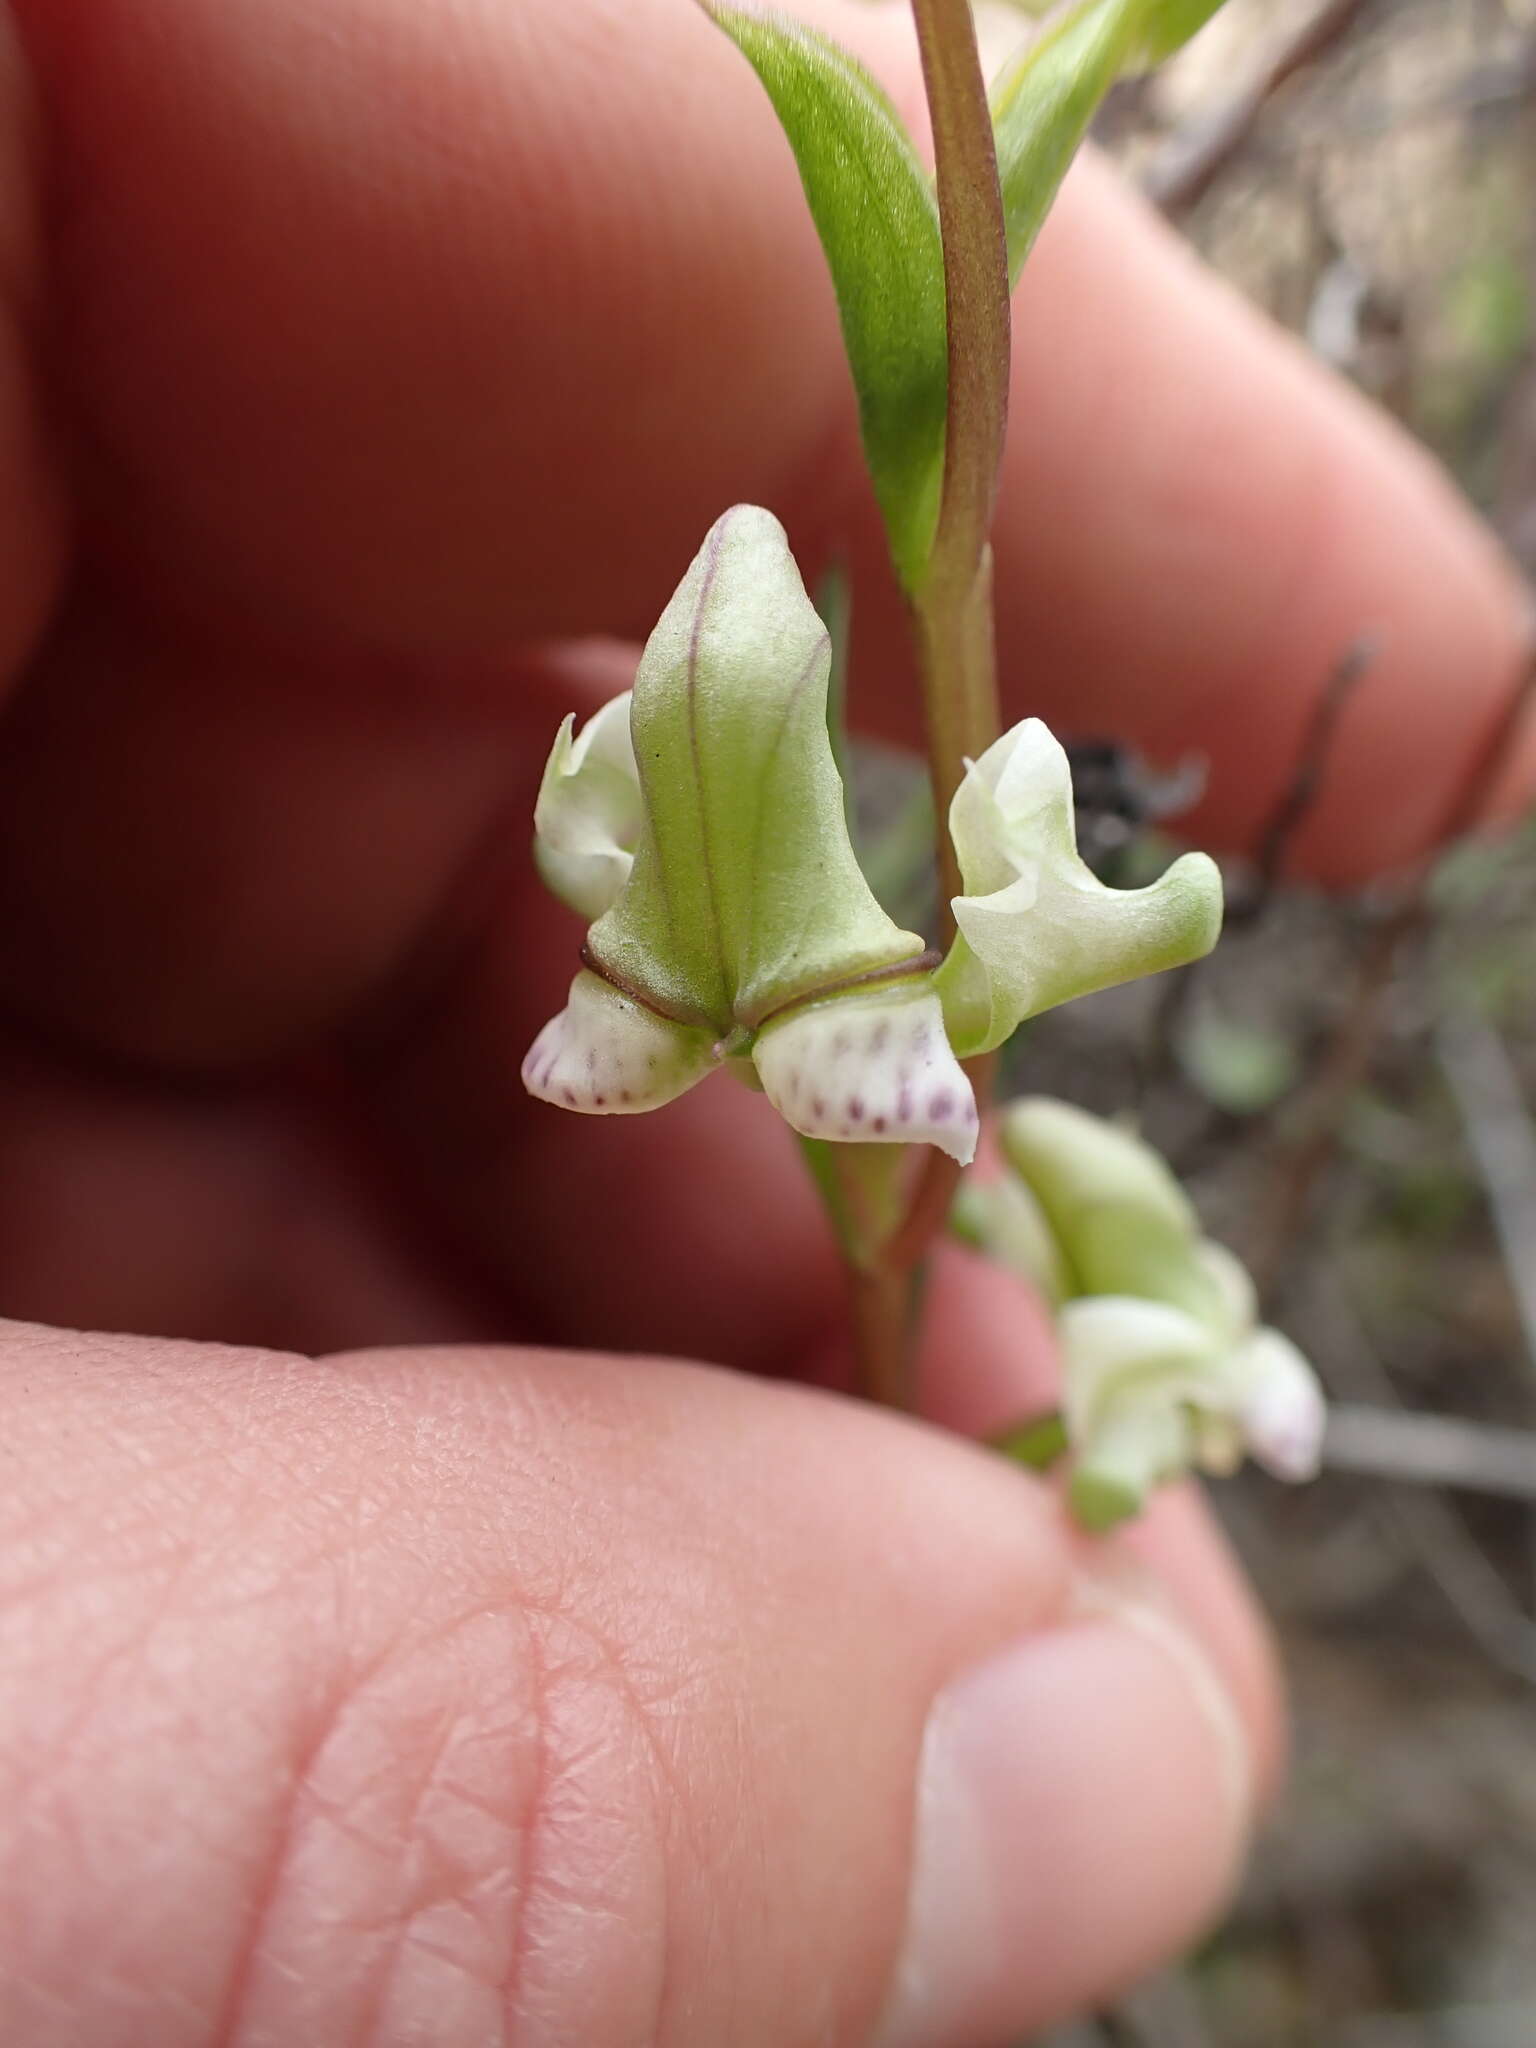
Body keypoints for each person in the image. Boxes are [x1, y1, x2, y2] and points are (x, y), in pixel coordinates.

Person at [0, 1, 1525, 2042]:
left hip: (757, 1011)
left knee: (998, 1206)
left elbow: (671, 873)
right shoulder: (789, 964)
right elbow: (1136, 912)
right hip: (824, 1017)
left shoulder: (639, 920)